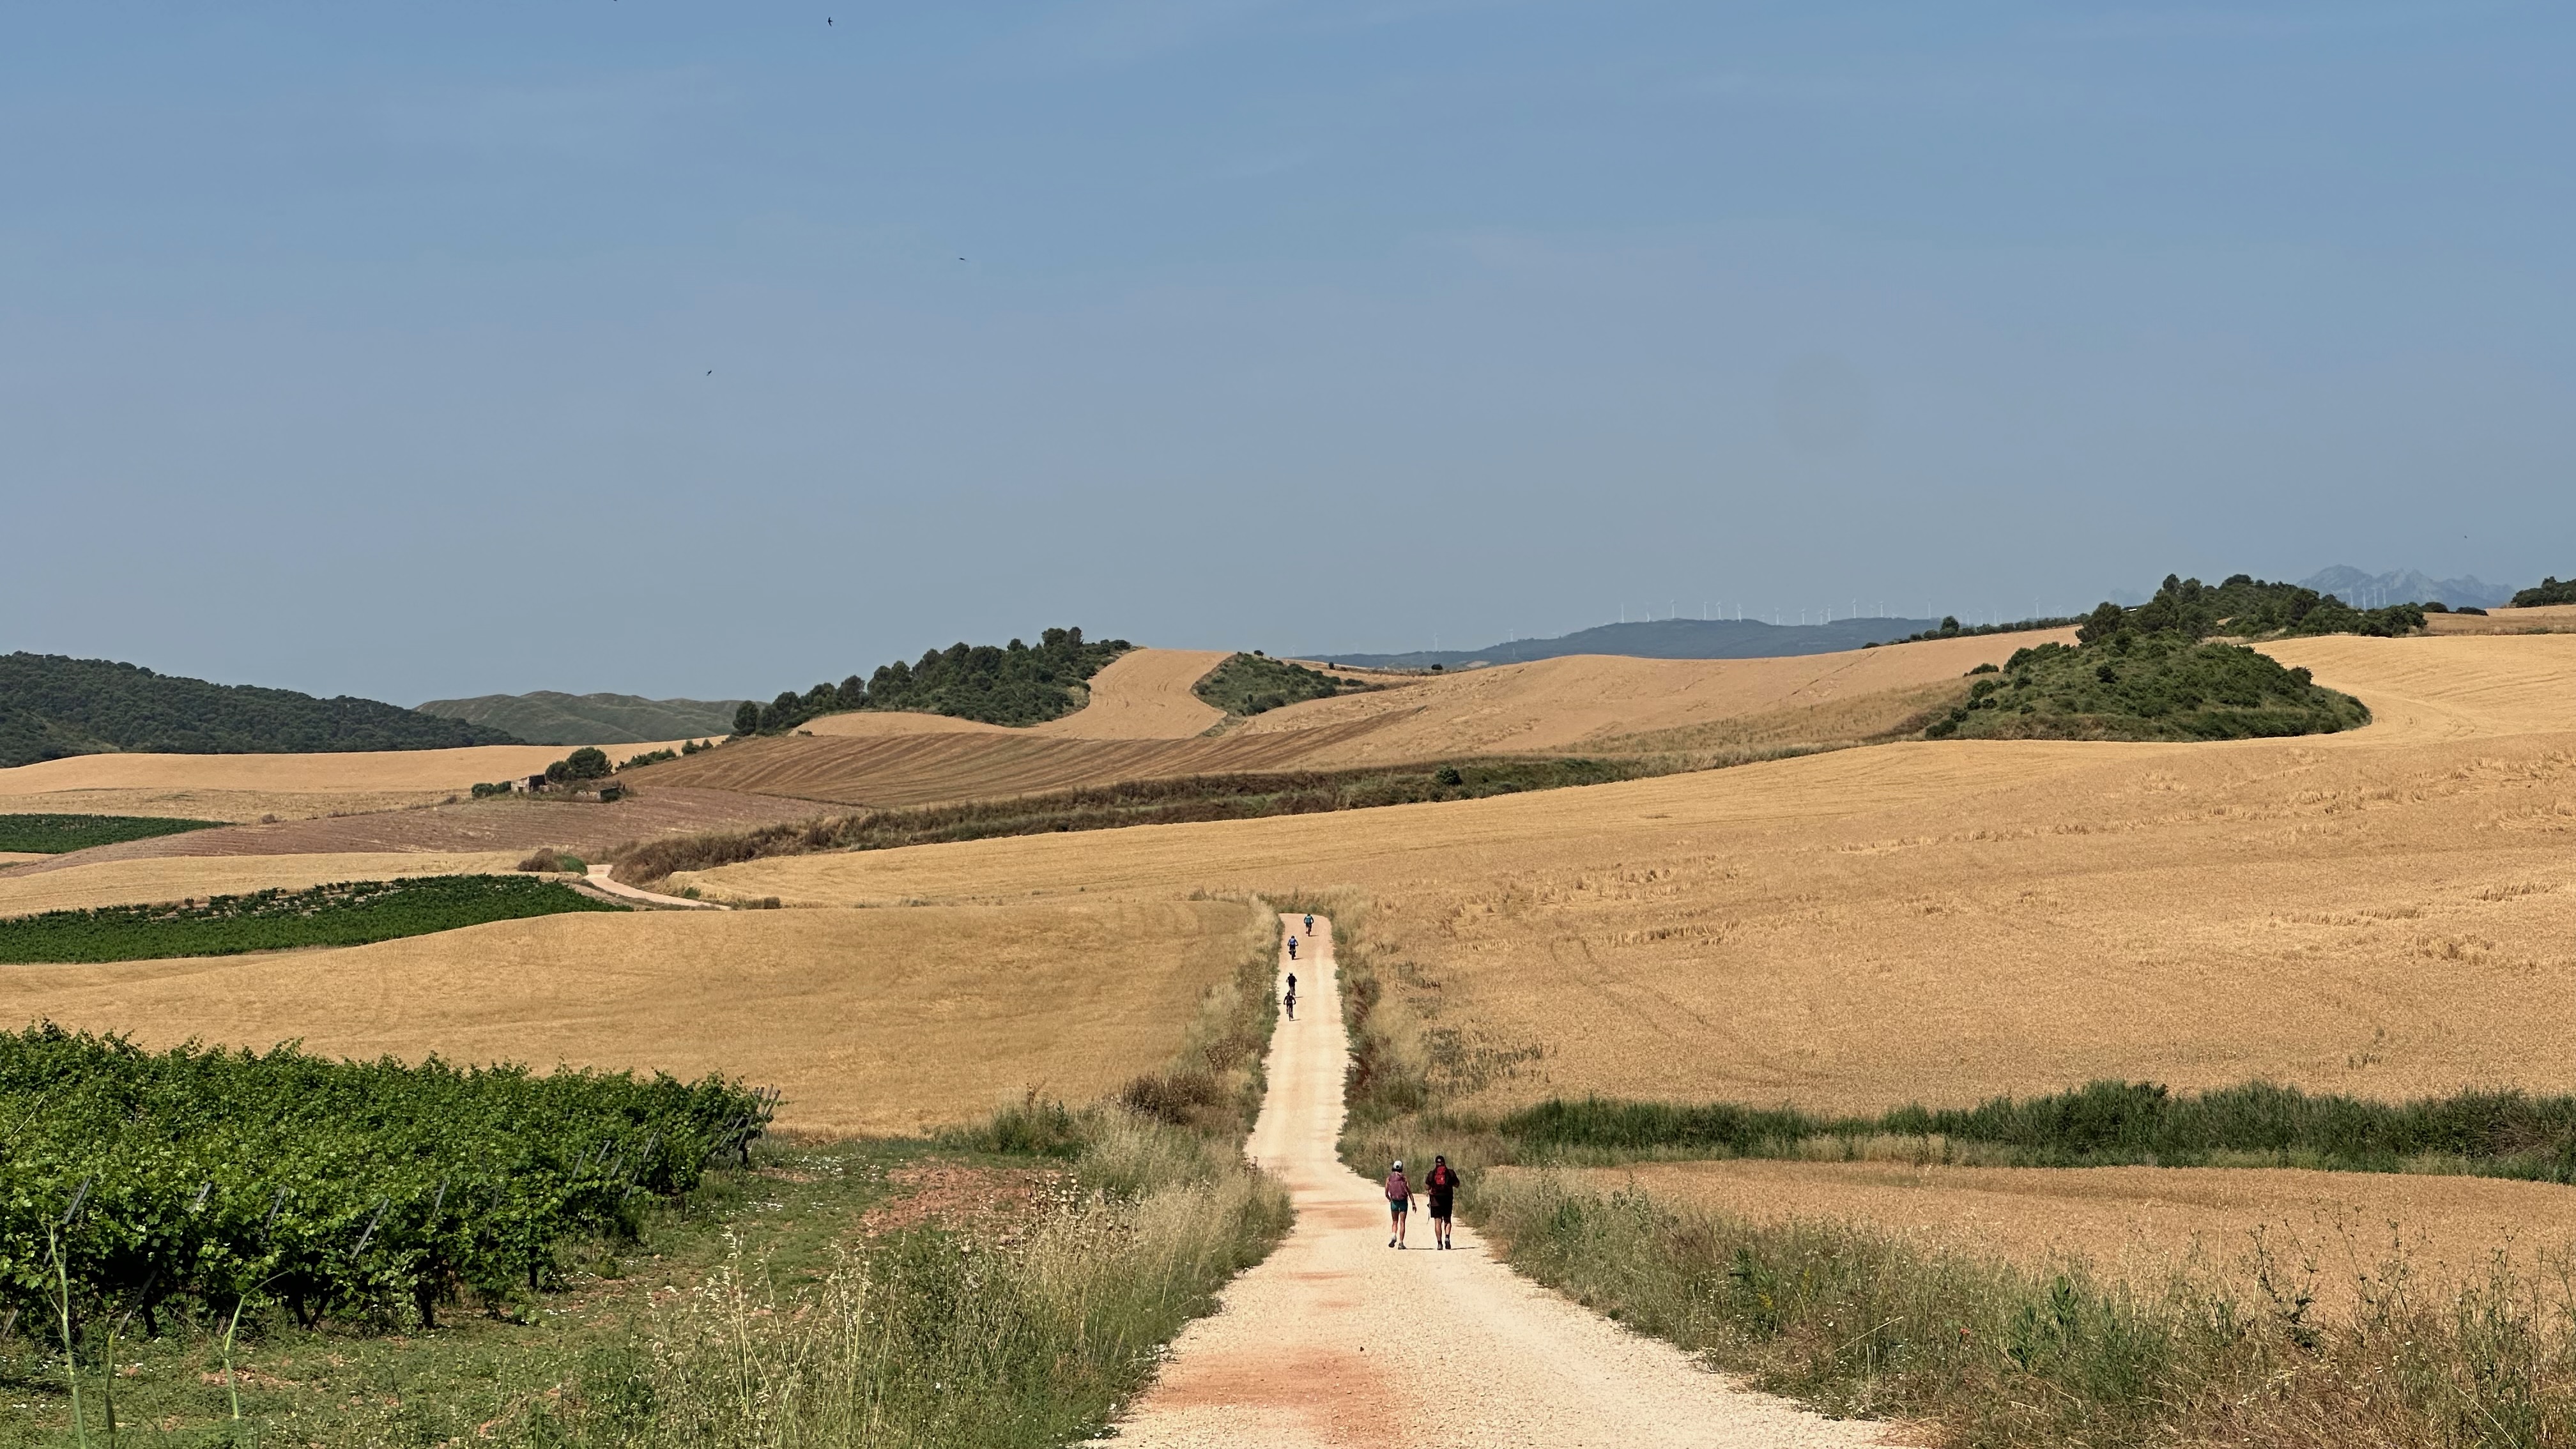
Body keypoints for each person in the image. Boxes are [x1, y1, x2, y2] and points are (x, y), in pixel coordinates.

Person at [1425, 1154, 1460, 1250]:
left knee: (1438, 1221)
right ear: (1444, 1162)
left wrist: (1432, 1189)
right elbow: (1457, 1185)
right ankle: (1447, 1237)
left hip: (1436, 1201)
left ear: (1436, 1163)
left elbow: (1427, 1187)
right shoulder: (1450, 1173)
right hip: (1447, 1199)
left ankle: (1439, 1243)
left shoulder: (1432, 1174)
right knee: (1447, 1220)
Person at [1384, 1160, 1413, 1248]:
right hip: (1403, 1201)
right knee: (1402, 1222)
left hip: (1394, 1202)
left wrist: (1390, 1199)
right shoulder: (1404, 1178)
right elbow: (1409, 1192)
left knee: (1395, 1221)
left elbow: (1386, 1192)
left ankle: (1393, 1235)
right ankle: (1401, 1243)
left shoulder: (1389, 1178)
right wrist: (1413, 1203)